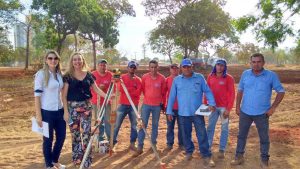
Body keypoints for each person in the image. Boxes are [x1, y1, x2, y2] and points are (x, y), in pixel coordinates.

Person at [231, 53, 285, 167]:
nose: (256, 64)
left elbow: (281, 91)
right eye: (253, 62)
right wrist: (237, 107)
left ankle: (264, 159)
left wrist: (273, 108)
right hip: (245, 112)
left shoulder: (271, 75)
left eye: (258, 62)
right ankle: (239, 157)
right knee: (241, 135)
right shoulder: (245, 74)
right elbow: (240, 90)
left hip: (262, 113)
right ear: (250, 63)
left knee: (264, 137)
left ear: (263, 63)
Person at [166, 58, 216, 167]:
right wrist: (169, 110)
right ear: (181, 68)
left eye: (189, 66)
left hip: (198, 112)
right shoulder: (177, 80)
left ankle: (206, 154)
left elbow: (207, 91)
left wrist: (212, 103)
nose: (187, 68)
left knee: (202, 134)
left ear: (192, 67)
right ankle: (189, 151)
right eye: (184, 67)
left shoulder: (199, 77)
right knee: (186, 135)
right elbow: (172, 96)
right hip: (183, 113)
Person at [62, 52, 106, 168]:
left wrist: (107, 96)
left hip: (87, 109)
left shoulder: (89, 75)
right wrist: (66, 112)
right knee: (75, 135)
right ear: (72, 62)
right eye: (75, 60)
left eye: (79, 60)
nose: (77, 62)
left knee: (86, 134)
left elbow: (96, 90)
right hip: (72, 110)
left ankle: (87, 160)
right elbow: (64, 96)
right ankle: (77, 159)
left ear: (83, 61)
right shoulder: (67, 76)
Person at [34, 50, 66, 169]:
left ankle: (54, 161)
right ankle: (48, 165)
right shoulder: (41, 74)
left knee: (62, 137)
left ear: (58, 60)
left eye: (55, 58)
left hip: (59, 110)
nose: (53, 60)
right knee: (48, 140)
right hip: (46, 112)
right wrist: (39, 115)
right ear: (46, 60)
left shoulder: (59, 75)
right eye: (50, 58)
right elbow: (37, 96)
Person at [134, 59, 166, 156]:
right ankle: (140, 146)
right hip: (146, 105)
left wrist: (162, 104)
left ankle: (153, 145)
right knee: (143, 125)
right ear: (149, 68)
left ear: (158, 67)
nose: (153, 69)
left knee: (155, 126)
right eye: (151, 67)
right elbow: (142, 89)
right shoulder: (144, 77)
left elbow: (163, 92)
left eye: (155, 67)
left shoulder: (162, 78)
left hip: (157, 106)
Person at [205, 59, 235, 159]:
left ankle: (222, 149)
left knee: (224, 128)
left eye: (222, 65)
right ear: (215, 66)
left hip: (223, 108)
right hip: (212, 107)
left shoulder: (229, 78)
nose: (219, 67)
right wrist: (205, 104)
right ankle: (208, 147)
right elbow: (206, 91)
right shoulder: (210, 76)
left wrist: (228, 109)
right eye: (218, 65)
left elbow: (232, 94)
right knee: (210, 128)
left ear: (225, 67)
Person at [113, 61, 142, 150]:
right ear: (127, 68)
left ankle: (132, 143)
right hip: (123, 104)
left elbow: (138, 92)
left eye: (134, 67)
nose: (132, 68)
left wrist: (128, 90)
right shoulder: (122, 78)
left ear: (136, 69)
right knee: (117, 124)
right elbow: (120, 88)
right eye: (131, 67)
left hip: (134, 105)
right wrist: (132, 89)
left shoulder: (138, 80)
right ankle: (113, 142)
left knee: (134, 125)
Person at [91, 59, 113, 143]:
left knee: (108, 120)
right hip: (96, 102)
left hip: (107, 102)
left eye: (104, 65)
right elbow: (90, 87)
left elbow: (114, 87)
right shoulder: (92, 75)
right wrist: (98, 88)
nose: (103, 67)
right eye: (101, 65)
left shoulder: (110, 75)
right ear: (97, 66)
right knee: (98, 120)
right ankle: (100, 138)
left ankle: (110, 139)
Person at [164, 63, 185, 151]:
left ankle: (181, 144)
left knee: (181, 127)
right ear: (170, 70)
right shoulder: (167, 80)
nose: (174, 70)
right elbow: (164, 93)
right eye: (173, 68)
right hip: (170, 108)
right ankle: (169, 144)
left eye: (176, 68)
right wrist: (164, 105)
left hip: (181, 108)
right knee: (170, 127)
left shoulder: (183, 79)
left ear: (179, 69)